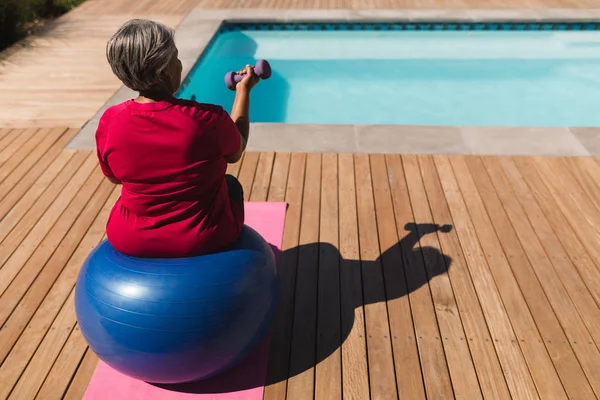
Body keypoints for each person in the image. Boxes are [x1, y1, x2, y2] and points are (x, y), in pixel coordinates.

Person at [95, 19, 260, 258]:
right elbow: (237, 150)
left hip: (130, 238)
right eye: (176, 58)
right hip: (205, 237)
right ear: (163, 71)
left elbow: (114, 178)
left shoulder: (111, 120)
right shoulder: (207, 118)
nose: (180, 64)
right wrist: (243, 92)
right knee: (231, 184)